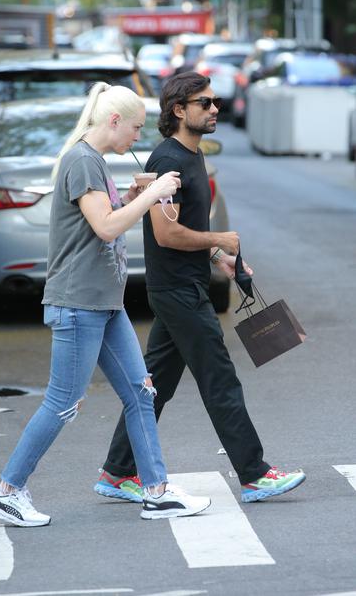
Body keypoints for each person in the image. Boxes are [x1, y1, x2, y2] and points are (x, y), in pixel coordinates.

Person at [0, 82, 211, 527]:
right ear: (114, 121)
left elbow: (100, 221)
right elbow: (106, 228)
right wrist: (151, 195)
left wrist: (131, 198)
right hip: (79, 303)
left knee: (141, 394)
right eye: (136, 128)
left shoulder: (95, 162)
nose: (138, 138)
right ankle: (6, 490)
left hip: (103, 302)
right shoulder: (83, 160)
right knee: (63, 402)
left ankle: (157, 492)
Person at [95, 72, 306, 504]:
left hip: (185, 285)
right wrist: (219, 238)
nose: (214, 109)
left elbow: (184, 226)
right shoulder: (165, 161)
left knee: (155, 385)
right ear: (179, 110)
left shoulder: (192, 156)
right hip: (178, 292)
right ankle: (254, 475)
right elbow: (166, 234)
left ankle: (116, 472)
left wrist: (216, 257)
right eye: (205, 103)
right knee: (220, 379)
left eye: (215, 102)